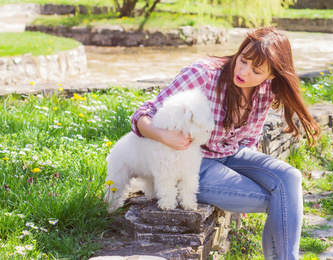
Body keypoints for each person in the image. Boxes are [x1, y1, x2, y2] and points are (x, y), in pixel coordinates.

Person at [131, 26, 321, 260]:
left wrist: (252, 175)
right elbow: (143, 112)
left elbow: (249, 139)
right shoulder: (203, 74)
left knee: (290, 178)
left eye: (256, 70)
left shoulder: (265, 90)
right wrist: (163, 135)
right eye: (243, 60)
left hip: (232, 155)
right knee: (282, 200)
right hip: (192, 162)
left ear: (271, 75)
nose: (243, 71)